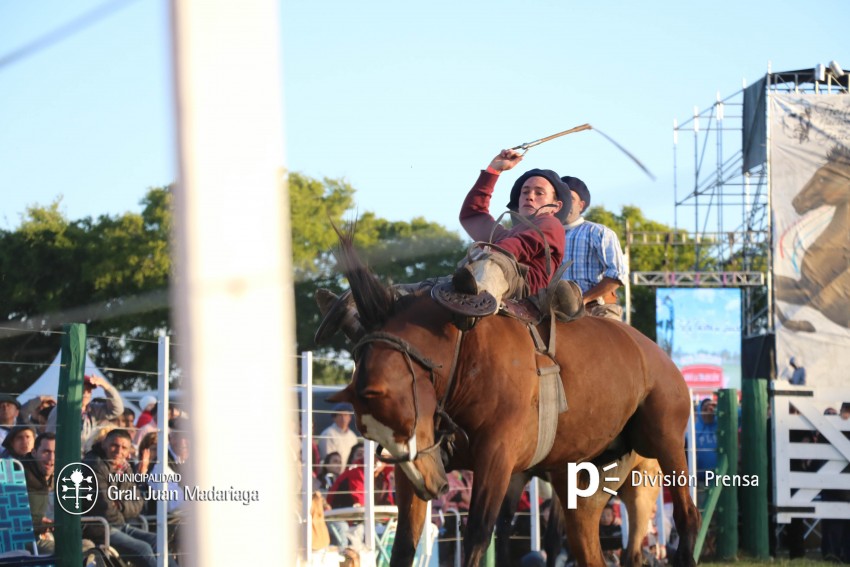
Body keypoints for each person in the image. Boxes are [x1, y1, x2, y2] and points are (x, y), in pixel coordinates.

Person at [454, 149, 570, 305]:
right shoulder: (506, 236)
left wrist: (488, 252)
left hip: (525, 291)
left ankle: (472, 309)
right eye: (525, 192)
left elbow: (522, 245)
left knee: (490, 266)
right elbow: (473, 214)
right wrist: (494, 170)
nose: (530, 196)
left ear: (556, 206)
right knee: (424, 291)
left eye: (539, 193)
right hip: (498, 263)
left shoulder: (551, 224)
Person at [84, 428, 177, 567]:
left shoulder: (125, 467)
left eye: (124, 447)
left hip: (119, 524)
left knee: (159, 541)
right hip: (98, 528)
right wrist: (122, 507)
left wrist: (120, 505)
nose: (118, 451)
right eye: (114, 445)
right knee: (143, 548)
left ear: (128, 452)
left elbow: (138, 502)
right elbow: (104, 507)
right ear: (104, 444)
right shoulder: (94, 464)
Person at [558, 176, 627, 320]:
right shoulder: (545, 236)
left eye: (570, 198)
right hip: (557, 312)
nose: (564, 202)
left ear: (581, 205)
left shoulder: (599, 233)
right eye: (560, 197)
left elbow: (617, 275)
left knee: (610, 341)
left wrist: (583, 300)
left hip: (599, 310)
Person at [47, 374, 124, 454]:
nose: (86, 393)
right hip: (66, 457)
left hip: (86, 459)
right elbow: (52, 437)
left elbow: (117, 409)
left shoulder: (93, 409)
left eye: (89, 390)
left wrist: (105, 385)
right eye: (82, 389)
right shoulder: (61, 410)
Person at [22, 432, 56, 554]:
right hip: (24, 540)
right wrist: (41, 525)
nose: (51, 458)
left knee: (89, 547)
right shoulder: (21, 476)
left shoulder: (48, 477)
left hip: (40, 535)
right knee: (69, 551)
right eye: (46, 452)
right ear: (34, 452)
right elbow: (15, 521)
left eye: (55, 453)